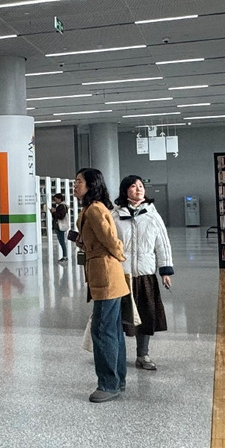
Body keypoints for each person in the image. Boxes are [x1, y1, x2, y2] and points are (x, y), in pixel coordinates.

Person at [72, 168, 128, 403]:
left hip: (106, 276)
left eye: (79, 181)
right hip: (103, 275)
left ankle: (108, 384)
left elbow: (112, 241)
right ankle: (118, 379)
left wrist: (119, 256)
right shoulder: (89, 209)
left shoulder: (95, 210)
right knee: (112, 329)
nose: (75, 185)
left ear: (91, 185)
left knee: (102, 330)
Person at [112, 175, 174, 372]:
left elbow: (162, 243)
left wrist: (165, 270)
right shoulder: (114, 215)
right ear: (125, 190)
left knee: (145, 316)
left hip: (145, 274)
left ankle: (143, 355)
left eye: (141, 186)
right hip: (122, 275)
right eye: (133, 186)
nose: (138, 189)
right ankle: (116, 355)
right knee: (118, 317)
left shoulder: (152, 215)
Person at [50, 193, 70, 263]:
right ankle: (65, 256)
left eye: (56, 199)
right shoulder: (63, 206)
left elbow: (60, 216)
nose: (55, 201)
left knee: (62, 241)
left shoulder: (61, 206)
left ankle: (65, 256)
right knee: (62, 241)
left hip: (60, 226)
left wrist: (53, 212)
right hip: (59, 226)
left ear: (59, 199)